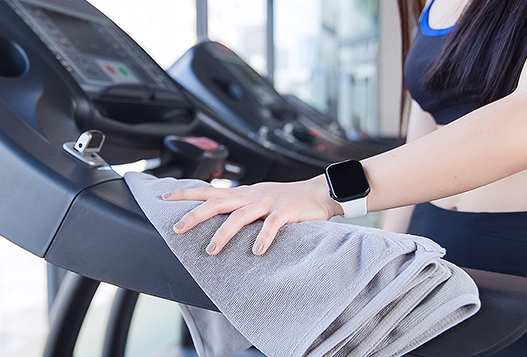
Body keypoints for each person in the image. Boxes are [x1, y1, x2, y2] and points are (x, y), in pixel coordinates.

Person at [163, 0, 527, 354]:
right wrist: (385, 264)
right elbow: (423, 140)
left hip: (513, 248)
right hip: (435, 234)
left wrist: (326, 192)